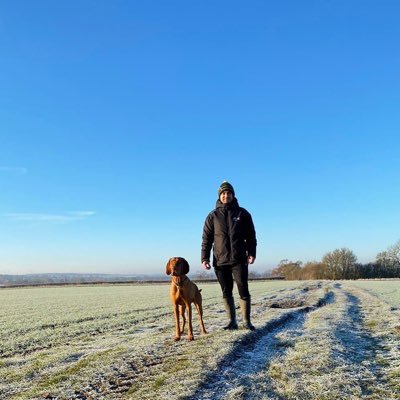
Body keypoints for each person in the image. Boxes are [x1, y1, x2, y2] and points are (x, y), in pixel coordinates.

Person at [201, 181, 257, 331]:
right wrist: (204, 258)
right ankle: (232, 322)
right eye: (223, 193)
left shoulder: (243, 214)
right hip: (220, 261)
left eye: (229, 193)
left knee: (243, 289)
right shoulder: (212, 216)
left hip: (239, 259)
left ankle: (247, 322)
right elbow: (206, 239)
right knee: (226, 291)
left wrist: (251, 253)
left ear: (233, 195)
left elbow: (251, 236)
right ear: (220, 196)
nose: (226, 196)